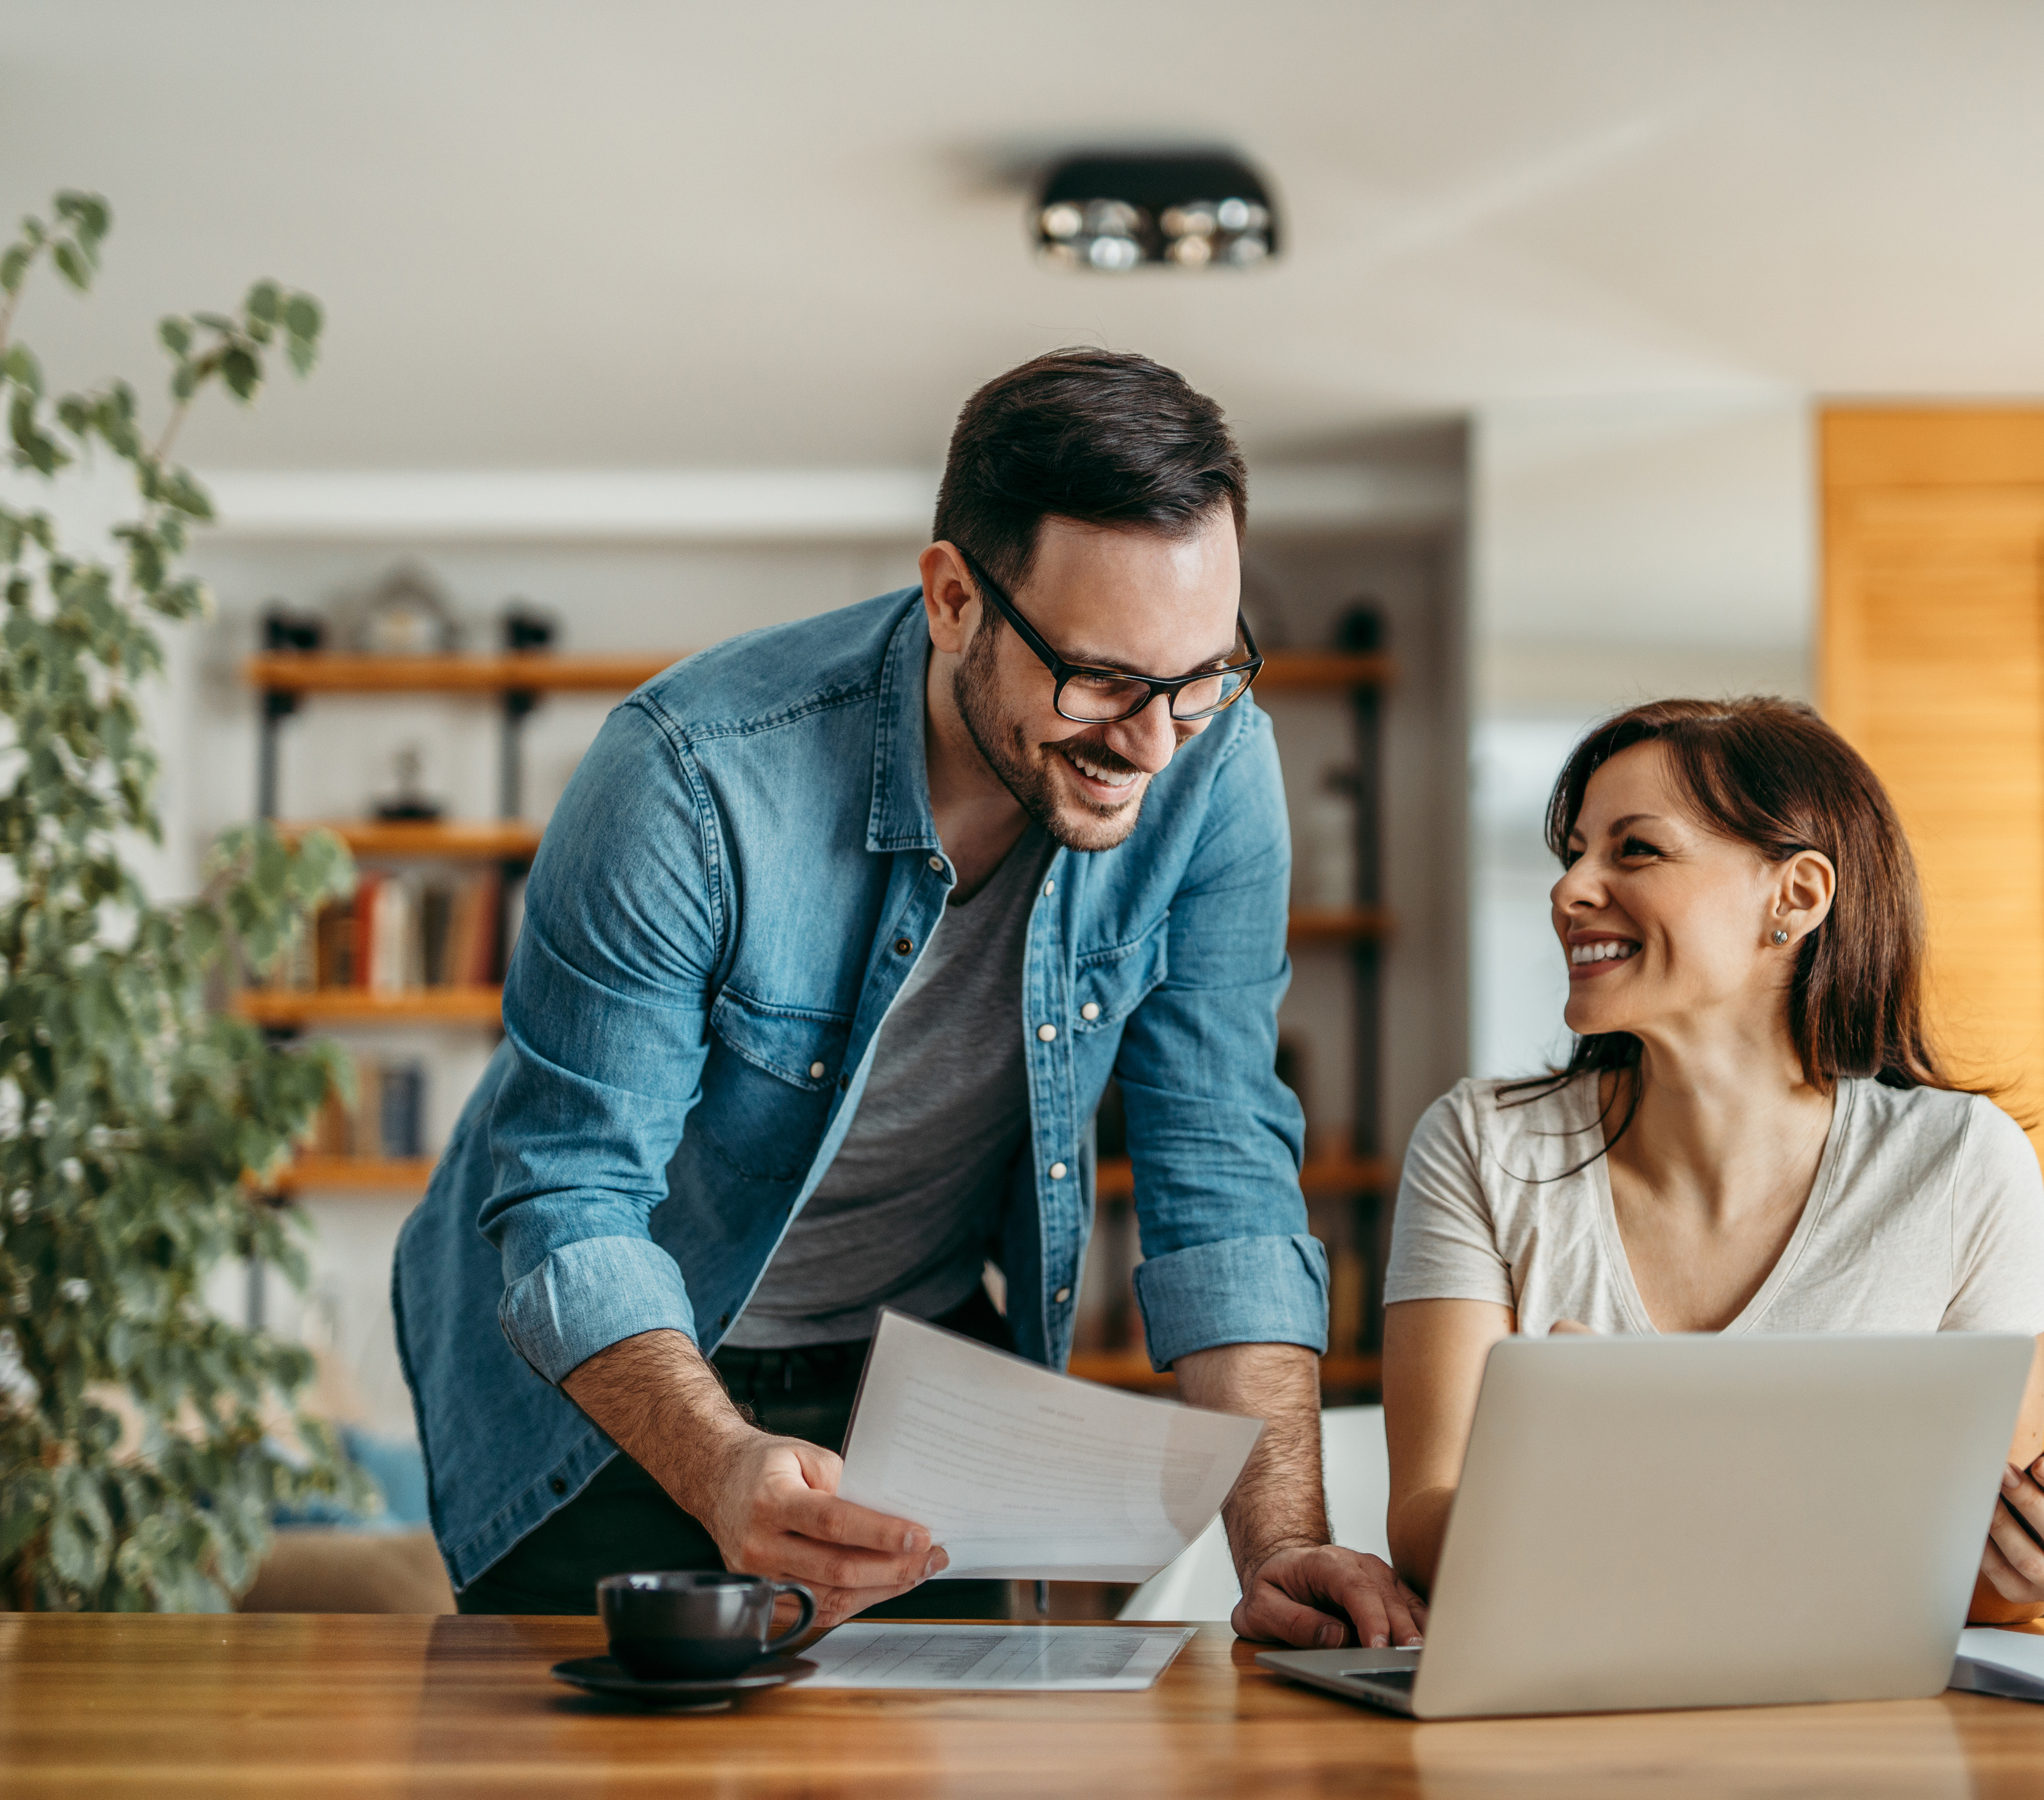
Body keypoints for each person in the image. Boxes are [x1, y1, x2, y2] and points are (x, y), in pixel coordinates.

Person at [393, 348, 1423, 1651]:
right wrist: (719, 1463)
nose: (1154, 743)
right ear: (952, 599)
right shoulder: (688, 782)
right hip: (616, 1394)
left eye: (1202, 674)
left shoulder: (1212, 765)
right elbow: (570, 1196)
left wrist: (1278, 1549)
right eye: (1102, 680)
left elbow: (1219, 1158)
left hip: (917, 1373)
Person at [1380, 697, 2044, 1621]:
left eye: (1635, 849)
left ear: (1796, 896)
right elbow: (1427, 1523)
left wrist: (2031, 1567)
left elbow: (1975, 1586)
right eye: (1573, 852)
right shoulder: (1481, 1144)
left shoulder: (1962, 1167)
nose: (1569, 890)